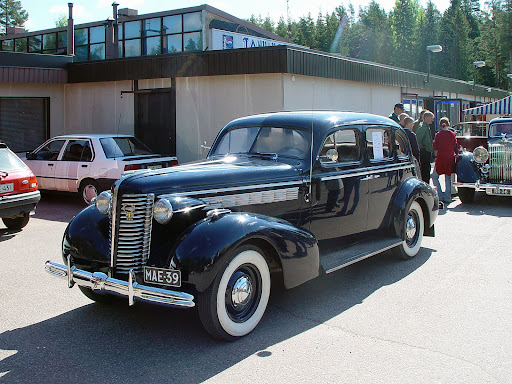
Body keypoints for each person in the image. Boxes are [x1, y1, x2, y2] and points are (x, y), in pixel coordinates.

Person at [432, 117, 457, 204]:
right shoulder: (452, 134)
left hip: (441, 157)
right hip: (450, 157)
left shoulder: (438, 135)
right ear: (448, 124)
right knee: (448, 177)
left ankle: (440, 195)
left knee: (434, 176)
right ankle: (447, 196)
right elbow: (454, 145)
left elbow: (435, 146)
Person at [416, 110, 434, 183]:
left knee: (427, 170)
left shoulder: (426, 127)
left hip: (427, 152)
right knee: (425, 171)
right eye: (431, 118)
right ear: (426, 118)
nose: (432, 120)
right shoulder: (423, 128)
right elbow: (418, 140)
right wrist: (423, 149)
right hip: (424, 153)